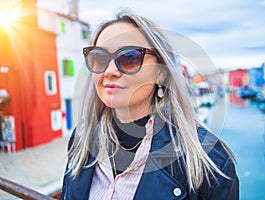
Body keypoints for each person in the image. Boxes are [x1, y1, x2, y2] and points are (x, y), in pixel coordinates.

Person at [60, 9, 239, 200]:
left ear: (161, 73)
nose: (109, 71)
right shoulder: (82, 138)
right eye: (99, 57)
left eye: (129, 57)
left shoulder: (210, 160)